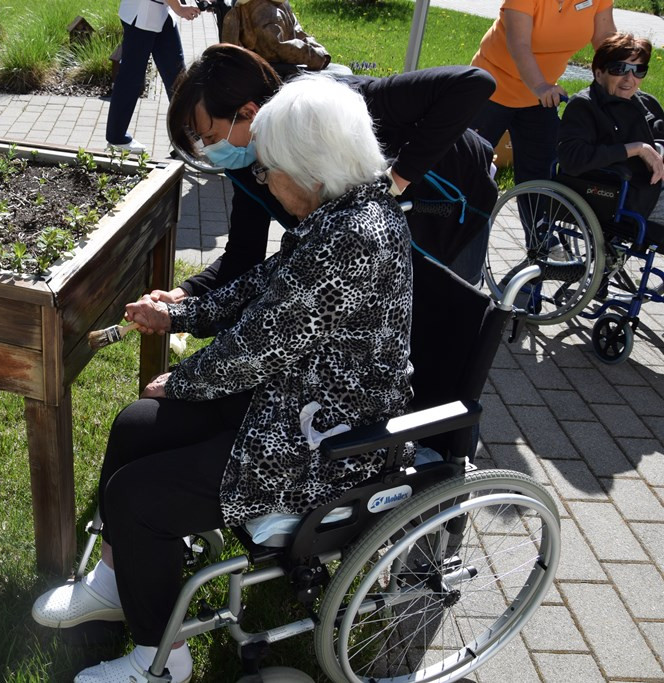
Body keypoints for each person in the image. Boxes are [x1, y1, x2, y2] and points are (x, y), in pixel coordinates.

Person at [32, 76, 415, 683]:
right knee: (136, 425)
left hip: (322, 443)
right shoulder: (341, 212)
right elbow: (264, 289)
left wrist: (183, 381)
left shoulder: (353, 238)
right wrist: (179, 312)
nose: (263, 181)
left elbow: (259, 346)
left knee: (140, 498)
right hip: (288, 403)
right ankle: (113, 581)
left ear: (311, 169)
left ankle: (163, 662)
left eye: (268, 171)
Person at [164, 44, 497, 296]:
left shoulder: (331, 108)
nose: (210, 150)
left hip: (456, 200)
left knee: (446, 319)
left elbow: (473, 83)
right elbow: (243, 256)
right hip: (393, 236)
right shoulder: (248, 166)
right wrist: (185, 294)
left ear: (249, 112)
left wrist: (395, 180)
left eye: (211, 136)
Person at [470, 0, 616, 186]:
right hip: (492, 89)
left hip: (539, 98)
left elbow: (605, 38)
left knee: (540, 174)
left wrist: (623, 71)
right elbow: (519, 44)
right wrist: (540, 86)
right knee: (469, 163)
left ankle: (537, 216)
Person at [557, 32, 664, 222]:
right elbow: (573, 159)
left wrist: (657, 152)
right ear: (599, 73)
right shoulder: (585, 106)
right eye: (620, 69)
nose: (629, 79)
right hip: (626, 197)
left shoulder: (647, 102)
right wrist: (636, 149)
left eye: (638, 70)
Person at [106, 0, 201, 154]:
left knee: (178, 77)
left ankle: (186, 137)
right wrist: (179, 8)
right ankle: (116, 138)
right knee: (131, 79)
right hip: (142, 16)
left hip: (162, 14)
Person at [220, 0, 331, 73]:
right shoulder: (261, 10)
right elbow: (276, 47)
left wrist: (318, 50)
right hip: (267, 72)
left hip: (283, 65)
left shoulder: (279, 3)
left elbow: (297, 31)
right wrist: (314, 56)